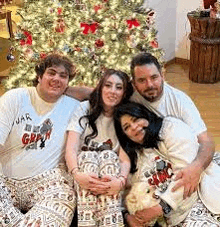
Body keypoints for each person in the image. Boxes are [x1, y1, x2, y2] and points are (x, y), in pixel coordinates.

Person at [65, 52, 215, 199]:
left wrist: (197, 167)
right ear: (134, 83)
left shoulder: (180, 101)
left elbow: (206, 141)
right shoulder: (128, 94)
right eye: (142, 80)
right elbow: (94, 93)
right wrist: (60, 88)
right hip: (146, 158)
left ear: (163, 75)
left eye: (154, 77)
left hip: (176, 153)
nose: (149, 84)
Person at [0, 53, 80, 226]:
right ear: (39, 76)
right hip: (4, 182)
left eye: (63, 76)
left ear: (68, 83)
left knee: (66, 197)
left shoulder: (74, 106)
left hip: (49, 185)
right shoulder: (15, 98)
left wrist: (69, 90)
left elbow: (104, 94)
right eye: (51, 73)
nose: (56, 79)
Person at [114, 101, 220, 227]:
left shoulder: (170, 128)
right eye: (127, 127)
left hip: (200, 196)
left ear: (146, 116)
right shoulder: (133, 159)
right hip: (174, 217)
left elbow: (187, 176)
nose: (134, 127)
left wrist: (161, 207)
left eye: (136, 119)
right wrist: (128, 216)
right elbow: (124, 194)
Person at [65, 69, 132, 227]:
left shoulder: (126, 117)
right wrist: (77, 174)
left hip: (110, 174)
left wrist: (120, 181)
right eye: (108, 85)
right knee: (88, 156)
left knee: (108, 156)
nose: (112, 91)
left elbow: (124, 158)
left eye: (118, 87)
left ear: (124, 93)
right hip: (82, 173)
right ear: (100, 87)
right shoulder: (84, 108)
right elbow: (71, 149)